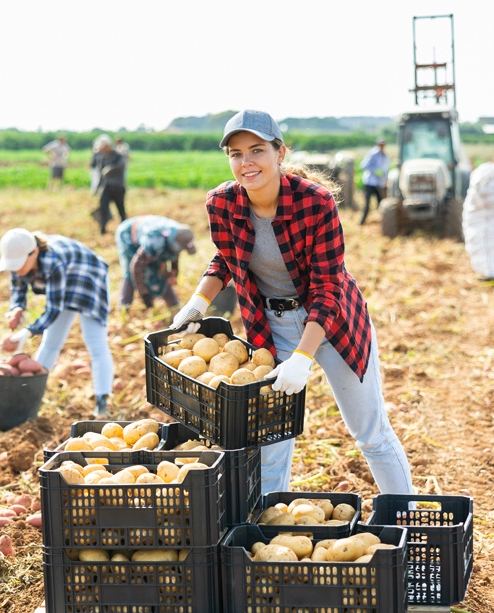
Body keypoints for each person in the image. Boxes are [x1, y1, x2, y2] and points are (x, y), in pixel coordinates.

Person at [171, 109, 412, 496]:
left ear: (280, 152)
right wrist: (198, 303)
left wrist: (302, 357)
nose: (246, 163)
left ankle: (408, 522)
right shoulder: (221, 203)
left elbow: (328, 287)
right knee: (269, 441)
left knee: (370, 434)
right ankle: (268, 534)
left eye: (256, 150)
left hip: (334, 323)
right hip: (272, 325)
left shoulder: (315, 204)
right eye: (235, 154)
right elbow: (225, 259)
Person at [0, 228, 114, 418]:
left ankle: (102, 404)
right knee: (51, 342)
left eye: (19, 265)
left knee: (96, 342)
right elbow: (18, 289)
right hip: (64, 282)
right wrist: (16, 308)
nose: (16, 269)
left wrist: (26, 332)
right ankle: (31, 398)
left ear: (34, 252)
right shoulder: (18, 259)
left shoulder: (53, 262)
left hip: (89, 278)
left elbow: (53, 310)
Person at [114, 215, 196, 312]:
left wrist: (173, 272)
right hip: (128, 235)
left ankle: (175, 307)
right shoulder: (154, 242)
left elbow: (174, 255)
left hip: (148, 234)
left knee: (160, 268)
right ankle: (124, 307)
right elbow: (136, 267)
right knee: (129, 273)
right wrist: (144, 294)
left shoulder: (181, 233)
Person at [89, 135, 127, 234]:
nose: (101, 150)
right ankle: (103, 229)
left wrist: (109, 169)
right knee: (103, 208)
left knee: (120, 209)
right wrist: (97, 188)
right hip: (106, 187)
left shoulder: (119, 155)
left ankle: (125, 228)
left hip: (118, 187)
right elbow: (100, 175)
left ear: (107, 146)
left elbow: (120, 166)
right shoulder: (102, 158)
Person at [358, 139, 390, 225]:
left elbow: (385, 170)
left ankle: (383, 222)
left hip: (379, 183)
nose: (382, 146)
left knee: (380, 203)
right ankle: (362, 222)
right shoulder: (372, 154)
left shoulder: (385, 156)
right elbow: (363, 165)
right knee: (367, 203)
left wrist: (386, 179)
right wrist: (375, 171)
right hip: (370, 182)